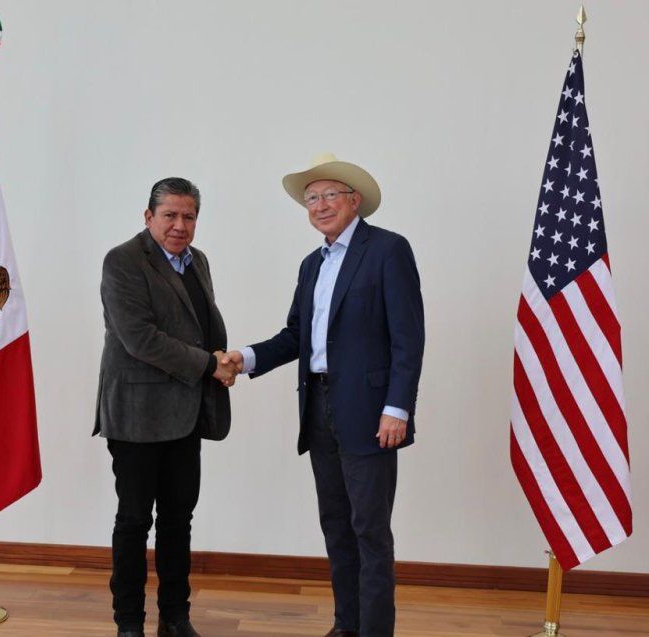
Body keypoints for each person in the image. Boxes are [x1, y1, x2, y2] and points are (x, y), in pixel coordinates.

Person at [223, 154, 425, 637]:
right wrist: (244, 358)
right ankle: (346, 625)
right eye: (311, 198)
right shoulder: (311, 265)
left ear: (355, 200)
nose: (319, 205)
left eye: (330, 194)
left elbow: (408, 337)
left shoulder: (388, 250)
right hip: (317, 407)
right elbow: (297, 336)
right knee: (336, 524)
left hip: (371, 413)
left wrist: (397, 407)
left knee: (369, 530)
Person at [93, 177, 236, 637]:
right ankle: (129, 623)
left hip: (186, 413)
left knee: (178, 521)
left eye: (188, 216)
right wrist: (210, 365)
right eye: (170, 215)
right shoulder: (122, 261)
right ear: (148, 216)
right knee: (134, 521)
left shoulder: (198, 261)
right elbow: (141, 339)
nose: (180, 225)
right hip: (136, 414)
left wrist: (224, 359)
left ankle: (175, 618)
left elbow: (200, 327)